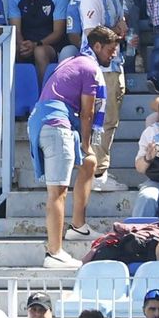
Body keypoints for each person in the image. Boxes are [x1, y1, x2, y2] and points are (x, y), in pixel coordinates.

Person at [34, 28, 117, 268]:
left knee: (89, 163)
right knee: (58, 192)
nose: (113, 55)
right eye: (110, 50)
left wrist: (87, 151)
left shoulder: (75, 61)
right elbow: (87, 113)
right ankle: (54, 253)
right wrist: (86, 144)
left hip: (52, 122)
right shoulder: (89, 67)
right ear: (97, 46)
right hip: (56, 126)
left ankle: (78, 227)